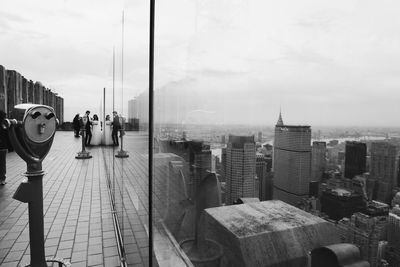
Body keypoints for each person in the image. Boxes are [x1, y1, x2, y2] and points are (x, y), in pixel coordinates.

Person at [0, 110, 8, 185]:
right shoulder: (4, 125)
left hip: (3, 147)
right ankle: (2, 179)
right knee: (2, 163)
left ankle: (2, 178)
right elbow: (7, 136)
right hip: (2, 147)